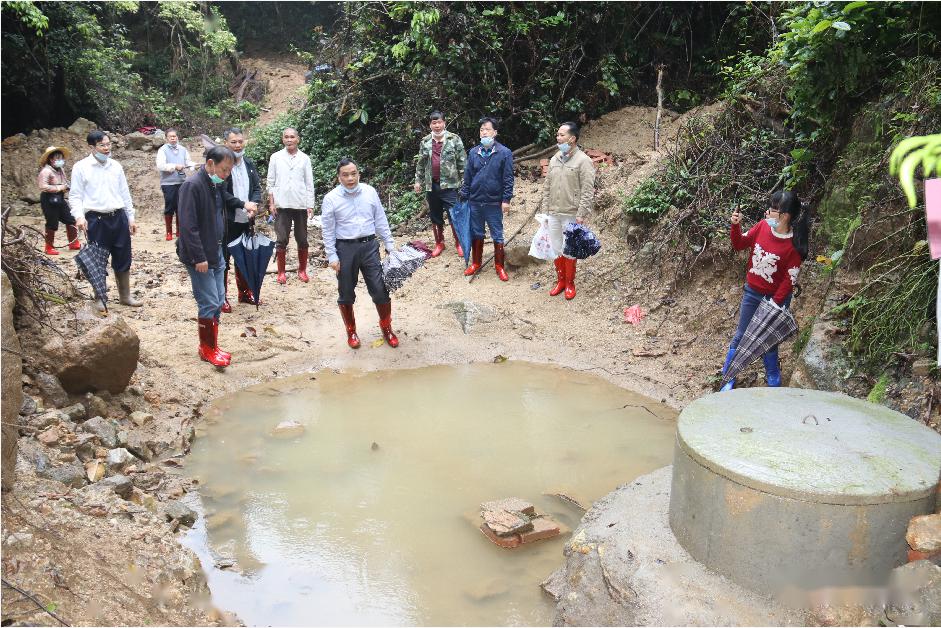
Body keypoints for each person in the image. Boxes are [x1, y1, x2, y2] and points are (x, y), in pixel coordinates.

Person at [721, 191, 809, 390]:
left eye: (773, 209)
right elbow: (739, 244)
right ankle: (728, 377)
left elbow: (789, 279)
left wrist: (775, 303)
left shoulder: (794, 245)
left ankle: (773, 378)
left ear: (785, 215)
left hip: (776, 300)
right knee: (741, 335)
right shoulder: (762, 226)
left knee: (769, 342)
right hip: (752, 292)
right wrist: (735, 226)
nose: (767, 212)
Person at [321, 158, 399, 349]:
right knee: (346, 292)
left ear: (359, 174)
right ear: (339, 177)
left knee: (380, 290)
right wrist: (332, 255)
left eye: (353, 173)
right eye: (345, 175)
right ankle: (351, 331)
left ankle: (387, 328)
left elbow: (380, 219)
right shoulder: (331, 198)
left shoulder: (369, 192)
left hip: (370, 246)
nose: (350, 178)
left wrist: (389, 244)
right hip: (345, 248)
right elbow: (327, 229)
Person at [176, 145, 236, 368]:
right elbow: (188, 226)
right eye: (224, 170)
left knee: (219, 300)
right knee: (209, 301)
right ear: (210, 164)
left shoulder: (215, 184)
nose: (226, 174)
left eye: (229, 170)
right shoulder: (192, 186)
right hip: (199, 255)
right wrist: (198, 257)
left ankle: (213, 345)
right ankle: (207, 348)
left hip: (216, 251)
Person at [70, 130, 142, 311]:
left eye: (108, 144)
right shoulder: (81, 167)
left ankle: (125, 295)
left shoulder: (115, 166)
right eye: (102, 145)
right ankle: (100, 297)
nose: (106, 148)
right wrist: (79, 216)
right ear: (91, 147)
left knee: (123, 255)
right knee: (97, 259)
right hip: (95, 219)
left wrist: (131, 217)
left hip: (118, 217)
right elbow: (75, 195)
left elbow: (125, 193)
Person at [540, 121, 595, 300]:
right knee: (556, 248)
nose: (558, 138)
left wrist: (581, 214)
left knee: (569, 249)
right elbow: (547, 186)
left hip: (571, 213)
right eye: (557, 135)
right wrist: (544, 210)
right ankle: (560, 281)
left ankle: (570, 283)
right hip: (554, 212)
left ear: (572, 138)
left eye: (561, 135)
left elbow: (588, 190)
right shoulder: (555, 158)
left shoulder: (583, 161)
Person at [460, 117, 514, 281]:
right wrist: (464, 194)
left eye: (487, 129)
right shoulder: (474, 153)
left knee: (497, 234)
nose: (484, 132)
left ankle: (499, 266)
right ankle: (476, 263)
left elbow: (508, 178)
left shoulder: (504, 153)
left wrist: (506, 200)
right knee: (477, 233)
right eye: (482, 130)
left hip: (494, 202)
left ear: (495, 133)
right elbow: (468, 176)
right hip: (475, 201)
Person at [220, 127, 262, 311]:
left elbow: (257, 188)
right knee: (223, 258)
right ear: (225, 144)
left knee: (244, 256)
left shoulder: (249, 164)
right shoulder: (221, 166)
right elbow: (221, 194)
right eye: (233, 142)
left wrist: (253, 205)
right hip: (226, 219)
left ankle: (244, 293)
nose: (237, 145)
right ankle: (221, 297)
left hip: (246, 218)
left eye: (240, 141)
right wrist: (243, 204)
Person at [413, 110, 466, 257]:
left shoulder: (454, 139)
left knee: (454, 214)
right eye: (434, 122)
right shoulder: (425, 141)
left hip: (450, 185)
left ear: (444, 122)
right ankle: (439, 243)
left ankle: (459, 242)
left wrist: (465, 183)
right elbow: (421, 164)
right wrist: (418, 181)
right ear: (430, 124)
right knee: (435, 216)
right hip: (432, 185)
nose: (437, 125)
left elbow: (463, 163)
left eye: (439, 122)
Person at [267, 127, 315, 284]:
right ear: (283, 139)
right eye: (286, 137)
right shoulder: (276, 157)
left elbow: (309, 183)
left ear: (297, 139)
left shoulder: (304, 158)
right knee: (281, 238)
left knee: (302, 238)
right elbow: (271, 182)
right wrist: (272, 203)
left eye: (292, 137)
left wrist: (310, 204)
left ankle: (302, 270)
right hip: (282, 204)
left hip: (300, 203)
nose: (289, 139)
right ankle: (281, 272)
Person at [37, 145, 80, 255]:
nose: (60, 160)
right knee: (52, 223)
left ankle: (73, 243)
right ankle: (49, 247)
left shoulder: (60, 170)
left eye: (61, 158)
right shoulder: (46, 171)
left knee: (70, 219)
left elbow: (64, 182)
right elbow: (43, 186)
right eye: (57, 158)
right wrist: (59, 188)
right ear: (51, 159)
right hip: (48, 199)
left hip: (59, 197)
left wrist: (67, 187)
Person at [155, 128, 195, 241]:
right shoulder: (162, 150)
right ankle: (169, 232)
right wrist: (174, 166)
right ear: (166, 138)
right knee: (169, 207)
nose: (173, 138)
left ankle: (179, 230)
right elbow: (161, 165)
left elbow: (188, 162)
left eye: (175, 136)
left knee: (180, 207)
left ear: (177, 137)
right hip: (168, 183)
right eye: (170, 136)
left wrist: (194, 165)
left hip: (182, 182)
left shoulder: (183, 149)